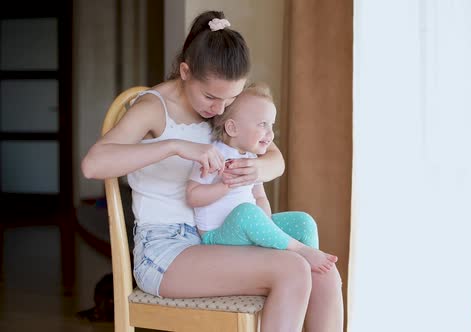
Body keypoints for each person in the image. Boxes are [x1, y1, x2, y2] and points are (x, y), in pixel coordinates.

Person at [81, 10, 343, 332]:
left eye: (231, 98)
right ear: (186, 71)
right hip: (166, 251)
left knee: (324, 272)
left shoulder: (221, 104)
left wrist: (255, 167)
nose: (219, 110)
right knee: (293, 269)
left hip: (217, 236)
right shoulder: (153, 108)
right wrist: (175, 146)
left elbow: (275, 159)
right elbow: (93, 164)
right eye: (211, 97)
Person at [186, 82, 338, 273]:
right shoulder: (211, 154)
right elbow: (192, 196)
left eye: (271, 125)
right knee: (246, 212)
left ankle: (311, 274)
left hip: (248, 228)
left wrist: (266, 223)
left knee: (304, 221)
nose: (270, 134)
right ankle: (300, 250)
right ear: (232, 128)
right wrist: (225, 186)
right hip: (217, 236)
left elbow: (259, 197)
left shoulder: (250, 159)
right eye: (262, 124)